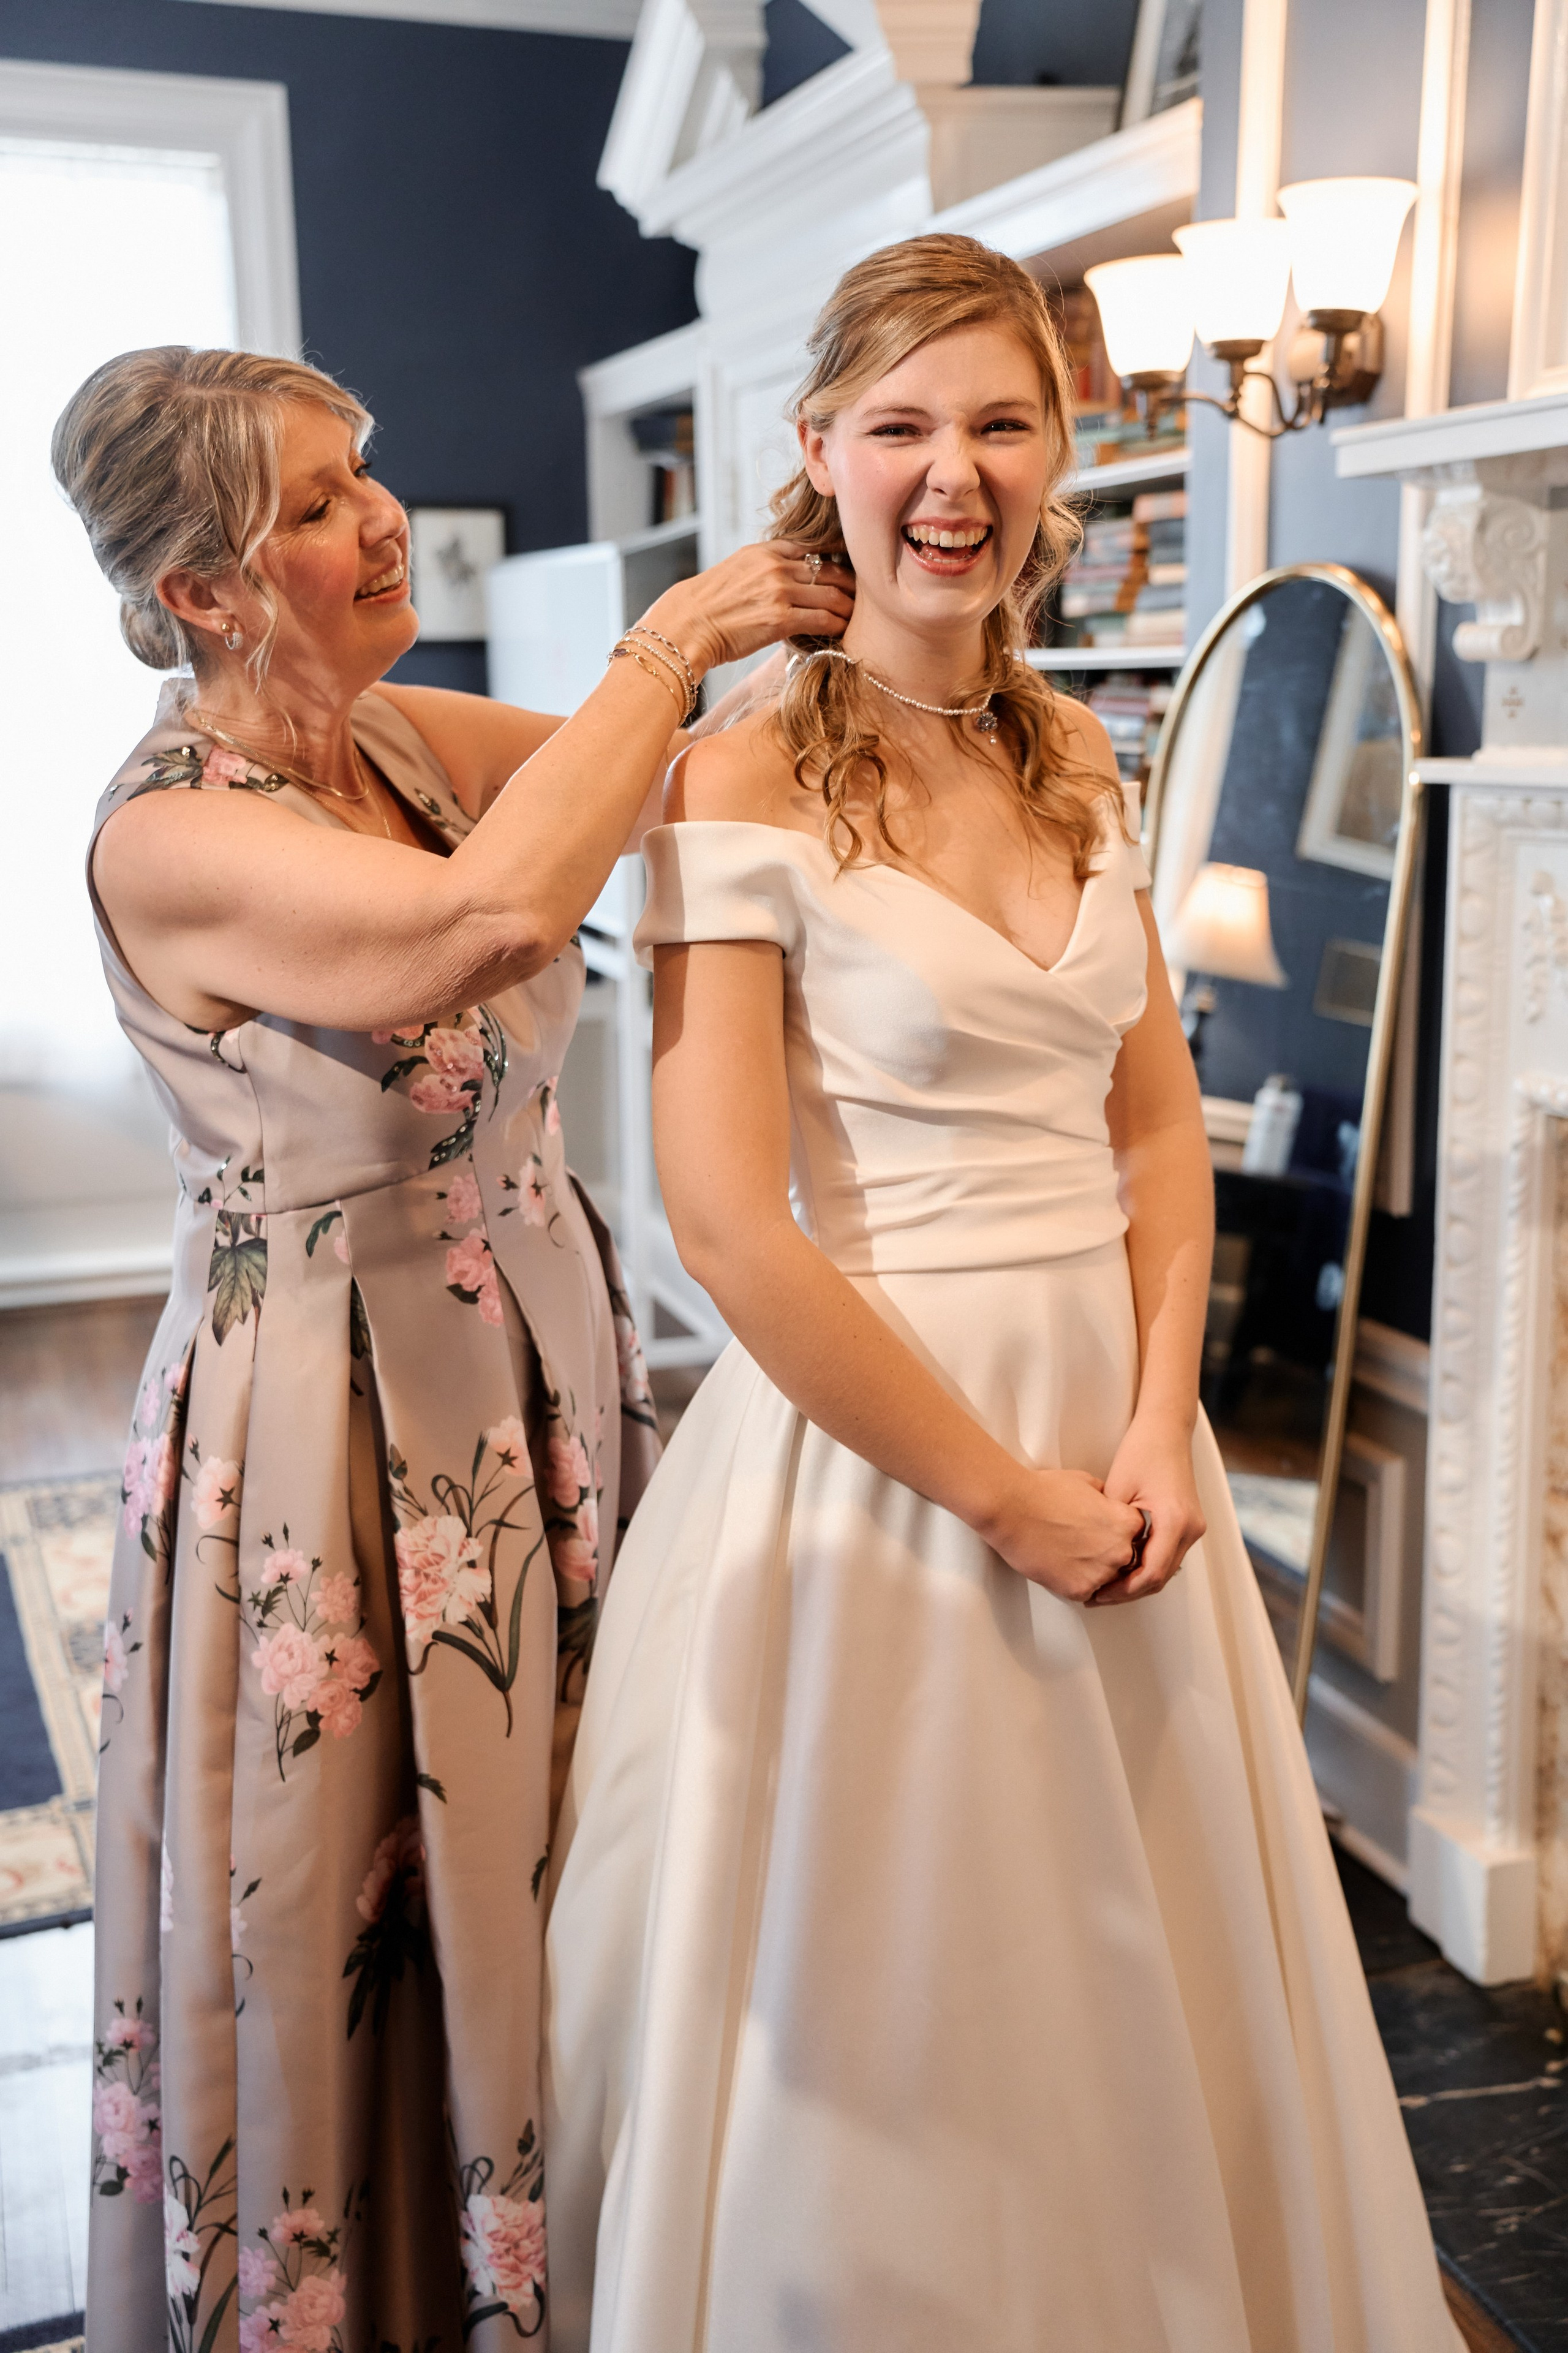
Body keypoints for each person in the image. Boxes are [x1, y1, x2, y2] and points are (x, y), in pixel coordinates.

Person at [543, 237, 1461, 2351]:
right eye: (902, 427)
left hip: (1122, 1439)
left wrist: (1154, 1428)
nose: (951, 475)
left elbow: (1157, 1139)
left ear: (1060, 453)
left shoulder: (1080, 759)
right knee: (919, 1974)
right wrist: (1002, 1494)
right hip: (887, 1453)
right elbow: (731, 1225)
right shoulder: (734, 776)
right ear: (819, 451)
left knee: (1161, 1961)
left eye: (1001, 424)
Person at [57, 344, 850, 2352]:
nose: (382, 516)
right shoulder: (166, 833)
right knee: (355, 1894)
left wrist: (867, 559)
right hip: (338, 1427)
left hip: (535, 1370)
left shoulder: (401, 739)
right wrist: (676, 632)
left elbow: (662, 785)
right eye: (318, 503)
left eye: (365, 470)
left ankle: (595, 2252)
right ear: (203, 589)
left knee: (575, 1830)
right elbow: (480, 927)